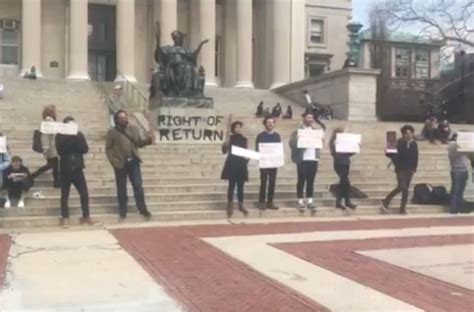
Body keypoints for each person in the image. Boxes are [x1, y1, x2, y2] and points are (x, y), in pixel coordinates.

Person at [105, 110, 154, 221]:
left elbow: (138, 143)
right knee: (121, 188)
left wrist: (149, 140)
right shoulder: (112, 132)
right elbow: (108, 148)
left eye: (125, 117)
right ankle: (122, 210)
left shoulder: (133, 129)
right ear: (117, 119)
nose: (124, 119)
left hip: (133, 161)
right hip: (120, 163)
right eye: (122, 118)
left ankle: (142, 208)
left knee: (138, 185)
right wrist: (114, 162)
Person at [56, 117, 97, 227]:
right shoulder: (60, 136)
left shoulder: (79, 135)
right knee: (64, 195)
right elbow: (60, 149)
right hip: (65, 169)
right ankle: (65, 217)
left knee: (84, 193)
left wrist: (76, 137)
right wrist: (70, 137)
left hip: (77, 168)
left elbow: (84, 149)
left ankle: (86, 216)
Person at [289, 111, 323, 213]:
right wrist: (297, 140)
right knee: (301, 180)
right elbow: (291, 144)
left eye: (312, 118)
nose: (310, 119)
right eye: (308, 118)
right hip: (302, 159)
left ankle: (310, 201)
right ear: (304, 118)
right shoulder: (298, 131)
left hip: (313, 158)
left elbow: (319, 145)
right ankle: (300, 201)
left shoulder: (316, 131)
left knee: (311, 181)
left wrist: (322, 141)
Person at [381, 125, 418, 215]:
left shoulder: (414, 144)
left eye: (410, 133)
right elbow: (390, 155)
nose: (409, 135)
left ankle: (402, 208)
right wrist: (388, 150)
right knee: (402, 186)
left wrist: (414, 168)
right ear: (403, 134)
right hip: (400, 168)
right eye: (407, 133)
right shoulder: (398, 142)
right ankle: (386, 200)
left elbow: (416, 157)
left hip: (410, 169)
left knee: (405, 189)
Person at [221, 121, 249, 218]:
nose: (239, 129)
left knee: (241, 186)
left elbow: (245, 151)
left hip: (241, 165)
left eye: (240, 127)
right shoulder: (230, 138)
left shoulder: (244, 139)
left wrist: (247, 158)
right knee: (231, 186)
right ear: (233, 129)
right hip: (232, 164)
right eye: (237, 127)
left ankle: (241, 204)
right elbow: (224, 151)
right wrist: (225, 144)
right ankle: (230, 205)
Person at [255, 117, 281, 210]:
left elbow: (278, 150)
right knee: (263, 182)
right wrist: (260, 159)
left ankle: (270, 202)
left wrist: (278, 159)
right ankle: (262, 201)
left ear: (274, 124)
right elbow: (257, 149)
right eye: (268, 122)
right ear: (265, 124)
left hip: (273, 163)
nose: (270, 124)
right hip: (264, 162)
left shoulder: (277, 136)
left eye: (272, 122)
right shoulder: (260, 136)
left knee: (272, 183)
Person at [32, 105, 60, 188]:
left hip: (51, 148)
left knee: (54, 165)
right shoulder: (49, 121)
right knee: (52, 165)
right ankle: (33, 175)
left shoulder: (47, 121)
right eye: (54, 111)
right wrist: (45, 148)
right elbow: (45, 136)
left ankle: (57, 182)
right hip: (51, 149)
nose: (56, 112)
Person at [329, 128, 357, 210]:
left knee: (343, 183)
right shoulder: (333, 142)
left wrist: (355, 148)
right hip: (339, 164)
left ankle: (339, 202)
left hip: (346, 163)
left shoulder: (344, 143)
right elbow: (334, 153)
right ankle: (347, 202)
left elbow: (348, 154)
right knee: (346, 183)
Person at [447, 133, 470, 214]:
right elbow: (455, 151)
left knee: (461, 191)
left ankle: (459, 208)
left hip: (464, 170)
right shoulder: (452, 145)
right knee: (455, 190)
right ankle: (453, 209)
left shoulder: (463, 146)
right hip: (456, 170)